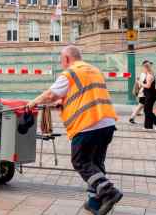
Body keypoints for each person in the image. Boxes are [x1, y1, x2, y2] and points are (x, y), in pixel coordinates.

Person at [27, 46, 123, 215]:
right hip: (106, 123)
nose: (61, 63)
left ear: (67, 58)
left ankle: (109, 192)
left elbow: (50, 95)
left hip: (88, 124)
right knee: (96, 164)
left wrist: (33, 102)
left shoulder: (70, 73)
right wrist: (63, 103)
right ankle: (94, 202)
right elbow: (84, 94)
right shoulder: (94, 70)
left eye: (61, 60)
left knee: (81, 162)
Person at [141, 61, 156, 130]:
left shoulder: (149, 76)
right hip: (150, 95)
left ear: (146, 68)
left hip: (150, 96)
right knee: (148, 110)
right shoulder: (149, 75)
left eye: (143, 69)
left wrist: (140, 83)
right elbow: (152, 86)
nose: (143, 70)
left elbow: (148, 86)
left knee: (147, 110)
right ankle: (148, 126)